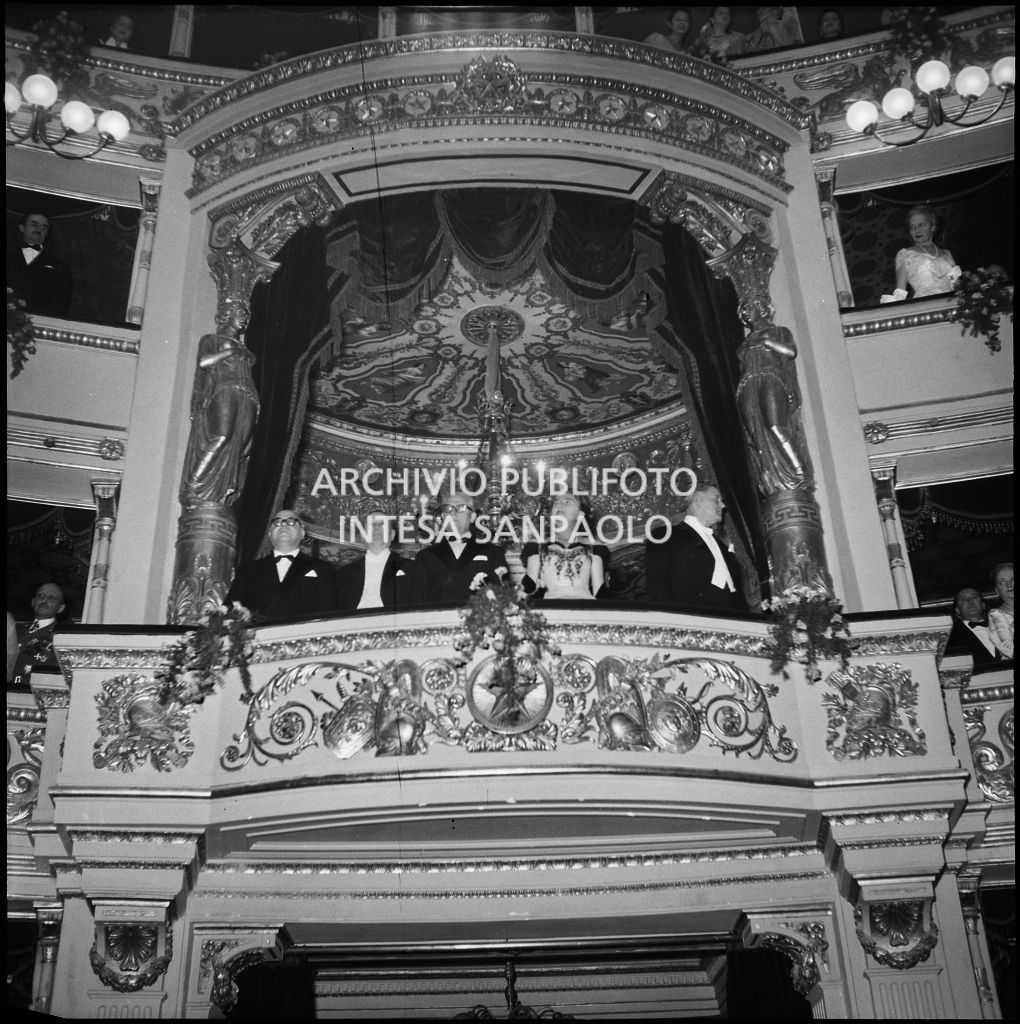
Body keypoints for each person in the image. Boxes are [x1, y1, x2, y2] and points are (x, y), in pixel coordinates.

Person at [179, 304, 260, 507]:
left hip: (248, 395)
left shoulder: (246, 351)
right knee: (222, 436)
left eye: (247, 317)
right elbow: (204, 362)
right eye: (241, 314)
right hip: (224, 390)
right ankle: (194, 488)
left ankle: (224, 495)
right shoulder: (212, 340)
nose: (245, 319)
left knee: (242, 446)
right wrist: (228, 352)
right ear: (226, 315)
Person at [644, 482, 748, 613]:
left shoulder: (726, 551)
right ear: (698, 500)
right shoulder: (666, 535)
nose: (722, 505)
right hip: (691, 623)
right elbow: (657, 587)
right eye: (717, 499)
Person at [225, 510, 340, 623]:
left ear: (302, 533)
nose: (284, 524)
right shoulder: (248, 571)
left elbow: (328, 614)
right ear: (269, 534)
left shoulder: (323, 568)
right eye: (277, 522)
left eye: (291, 521)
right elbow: (229, 612)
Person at [736, 323, 811, 495]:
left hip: (771, 376)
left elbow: (791, 352)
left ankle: (798, 472)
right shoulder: (743, 345)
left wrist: (768, 342)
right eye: (745, 309)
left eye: (753, 305)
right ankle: (769, 480)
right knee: (755, 435)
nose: (748, 312)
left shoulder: (778, 331)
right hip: (747, 383)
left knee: (775, 426)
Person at [410, 491, 508, 605]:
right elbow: (416, 605)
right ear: (442, 516)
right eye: (448, 508)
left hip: (479, 620)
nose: (453, 513)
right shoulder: (425, 557)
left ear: (472, 517)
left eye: (461, 508)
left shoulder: (493, 553)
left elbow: (504, 598)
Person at [523, 494, 606, 600]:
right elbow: (529, 588)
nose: (560, 505)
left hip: (585, 608)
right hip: (550, 609)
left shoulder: (593, 546)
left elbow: (599, 590)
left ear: (580, 514)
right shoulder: (537, 545)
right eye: (556, 502)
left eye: (568, 502)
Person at [881, 205, 961, 302]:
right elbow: (900, 292)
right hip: (925, 306)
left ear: (933, 227)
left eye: (921, 225)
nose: (916, 230)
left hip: (951, 305)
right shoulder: (905, 254)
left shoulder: (947, 254)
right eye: (912, 227)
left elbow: (957, 287)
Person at [338, 510, 412, 611]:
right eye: (371, 524)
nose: (377, 527)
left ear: (392, 534)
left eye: (382, 524)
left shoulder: (411, 569)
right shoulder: (344, 574)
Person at [6, 213, 72, 316]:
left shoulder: (59, 266)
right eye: (34, 225)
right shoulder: (8, 257)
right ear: (22, 228)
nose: (39, 229)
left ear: (47, 234)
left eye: (44, 228)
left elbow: (60, 301)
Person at [10, 583, 66, 688]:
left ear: (60, 608)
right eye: (41, 596)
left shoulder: (61, 637)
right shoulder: (15, 629)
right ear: (33, 602)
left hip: (31, 697)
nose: (44, 601)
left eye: (51, 598)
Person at [945, 586, 998, 665]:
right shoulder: (950, 638)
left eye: (974, 597)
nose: (970, 600)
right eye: (963, 599)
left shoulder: (1002, 625)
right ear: (957, 610)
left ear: (983, 605)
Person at [987, 562, 1014, 660]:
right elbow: (1009, 650)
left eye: (1012, 579)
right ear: (997, 591)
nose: (1009, 585)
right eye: (1002, 582)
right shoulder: (996, 615)